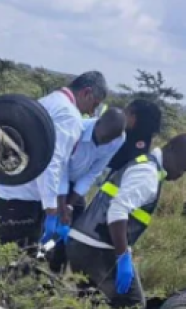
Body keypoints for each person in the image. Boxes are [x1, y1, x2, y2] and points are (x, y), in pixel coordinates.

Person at [66, 134, 186, 309]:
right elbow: (117, 211)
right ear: (171, 149)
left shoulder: (144, 164)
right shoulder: (148, 173)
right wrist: (123, 257)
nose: (179, 175)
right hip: (97, 247)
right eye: (181, 168)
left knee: (90, 301)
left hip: (84, 241)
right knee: (133, 305)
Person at [0, 71, 108, 249]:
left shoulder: (50, 101)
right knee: (14, 265)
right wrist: (51, 209)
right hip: (22, 202)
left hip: (0, 188)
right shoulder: (70, 116)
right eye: (93, 104)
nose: (90, 112)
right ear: (86, 92)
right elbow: (52, 162)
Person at [48, 107, 127, 272]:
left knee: (76, 224)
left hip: (77, 183)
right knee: (47, 220)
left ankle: (56, 268)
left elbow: (94, 172)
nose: (105, 142)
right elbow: (61, 168)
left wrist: (69, 206)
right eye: (103, 137)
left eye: (110, 139)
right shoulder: (77, 130)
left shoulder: (118, 139)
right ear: (97, 123)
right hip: (53, 177)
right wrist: (61, 206)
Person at [106, 99, 163, 173]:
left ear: (133, 117)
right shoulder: (143, 145)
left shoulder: (125, 141)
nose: (123, 114)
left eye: (126, 112)